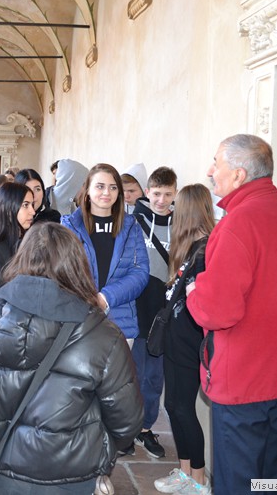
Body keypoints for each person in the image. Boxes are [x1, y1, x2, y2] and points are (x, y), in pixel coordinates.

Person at [0, 222, 143, 494]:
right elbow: (127, 422)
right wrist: (96, 449)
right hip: (68, 477)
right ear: (77, 266)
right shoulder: (103, 335)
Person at [186, 134, 277, 495]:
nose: (210, 171)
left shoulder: (236, 225)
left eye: (216, 162)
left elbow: (218, 311)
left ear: (239, 174)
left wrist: (194, 292)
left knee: (238, 485)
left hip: (244, 383)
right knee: (269, 480)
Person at [152, 184, 214, 495]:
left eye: (177, 207)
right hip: (175, 340)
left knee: (184, 408)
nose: (173, 213)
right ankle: (185, 471)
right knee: (173, 406)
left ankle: (199, 481)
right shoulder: (191, 249)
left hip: (189, 343)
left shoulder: (206, 251)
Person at [61, 163, 149, 341]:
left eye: (113, 187)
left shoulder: (131, 226)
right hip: (77, 320)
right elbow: (61, 272)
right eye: (100, 186)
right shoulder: (69, 226)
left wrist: (105, 297)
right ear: (87, 190)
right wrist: (87, 298)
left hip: (120, 322)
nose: (107, 192)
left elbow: (140, 272)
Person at [125, 166, 177, 459]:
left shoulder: (181, 223)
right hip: (135, 306)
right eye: (156, 193)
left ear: (175, 193)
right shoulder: (133, 221)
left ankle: (145, 428)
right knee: (131, 372)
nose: (161, 200)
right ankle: (126, 428)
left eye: (168, 194)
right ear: (147, 192)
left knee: (154, 376)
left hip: (163, 311)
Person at [0, 182, 35, 298]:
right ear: (8, 208)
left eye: (32, 205)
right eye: (25, 205)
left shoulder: (25, 242)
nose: (33, 211)